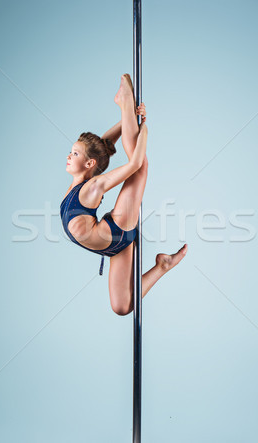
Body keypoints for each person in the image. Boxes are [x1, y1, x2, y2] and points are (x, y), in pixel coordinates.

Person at [60, 74, 187, 316]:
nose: (68, 156)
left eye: (74, 154)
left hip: (116, 230)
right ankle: (163, 265)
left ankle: (125, 99)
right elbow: (104, 147)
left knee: (141, 169)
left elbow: (135, 163)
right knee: (122, 307)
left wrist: (144, 129)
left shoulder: (92, 187)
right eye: (71, 151)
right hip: (113, 246)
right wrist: (127, 119)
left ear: (88, 164)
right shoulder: (80, 182)